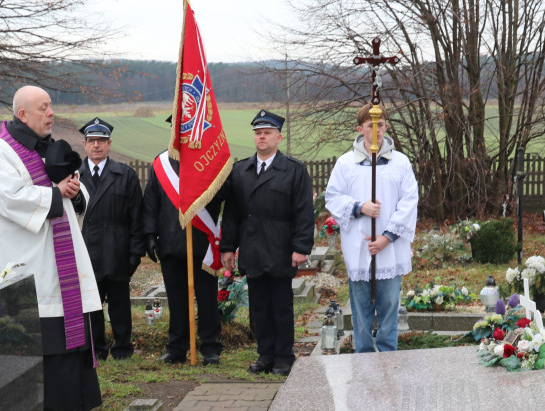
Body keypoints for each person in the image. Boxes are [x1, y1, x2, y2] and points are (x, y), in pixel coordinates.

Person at [0, 86, 102, 411]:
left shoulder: (50, 148)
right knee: (38, 331)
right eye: (43, 108)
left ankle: (74, 399)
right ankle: (39, 405)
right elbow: (10, 199)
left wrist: (73, 193)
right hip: (23, 259)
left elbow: (73, 194)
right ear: (22, 115)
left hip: (58, 256)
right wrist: (55, 193)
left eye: (50, 106)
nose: (51, 113)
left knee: (65, 326)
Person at [220, 110, 314, 376]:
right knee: (259, 306)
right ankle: (265, 355)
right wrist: (228, 246)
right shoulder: (240, 170)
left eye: (267, 133)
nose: (262, 137)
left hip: (281, 247)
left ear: (278, 137)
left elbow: (303, 212)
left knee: (281, 306)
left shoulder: (294, 170)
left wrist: (301, 247)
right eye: (258, 133)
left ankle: (284, 357)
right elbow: (232, 213)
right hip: (252, 247)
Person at [324, 103, 418, 352]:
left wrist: (387, 237)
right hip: (359, 247)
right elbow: (332, 197)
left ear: (386, 127)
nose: (376, 131)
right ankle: (363, 357)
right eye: (370, 126)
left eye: (380, 125)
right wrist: (360, 207)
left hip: (389, 249)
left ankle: (388, 357)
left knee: (389, 310)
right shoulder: (346, 163)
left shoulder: (400, 162)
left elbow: (409, 202)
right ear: (360, 129)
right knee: (361, 311)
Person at [143, 117, 224, 365]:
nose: (181, 136)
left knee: (208, 300)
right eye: (177, 131)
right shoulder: (160, 165)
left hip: (203, 245)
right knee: (177, 300)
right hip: (170, 243)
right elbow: (150, 203)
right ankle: (177, 348)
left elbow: (222, 196)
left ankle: (210, 348)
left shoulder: (208, 162)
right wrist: (149, 235)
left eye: (185, 131)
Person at [76, 117, 145, 361]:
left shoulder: (124, 174)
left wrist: (136, 252)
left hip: (117, 249)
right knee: (91, 304)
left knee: (119, 304)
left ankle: (123, 349)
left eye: (102, 141)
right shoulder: (74, 176)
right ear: (84, 144)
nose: (97, 145)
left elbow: (137, 216)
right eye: (92, 140)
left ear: (110, 144)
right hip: (86, 250)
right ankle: (96, 349)